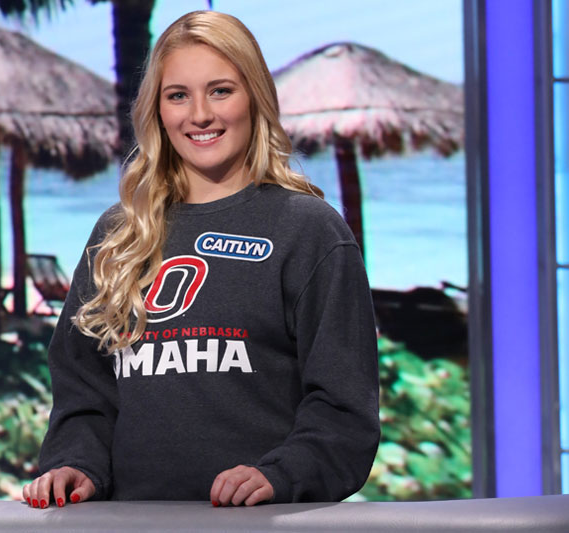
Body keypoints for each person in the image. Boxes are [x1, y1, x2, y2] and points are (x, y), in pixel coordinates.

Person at [23, 11, 379, 509]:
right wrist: (75, 465)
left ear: (254, 97)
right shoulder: (117, 234)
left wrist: (280, 476)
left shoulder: (309, 230)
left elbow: (344, 413)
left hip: (263, 523)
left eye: (220, 91)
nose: (199, 115)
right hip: (126, 522)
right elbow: (85, 391)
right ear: (158, 111)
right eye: (178, 95)